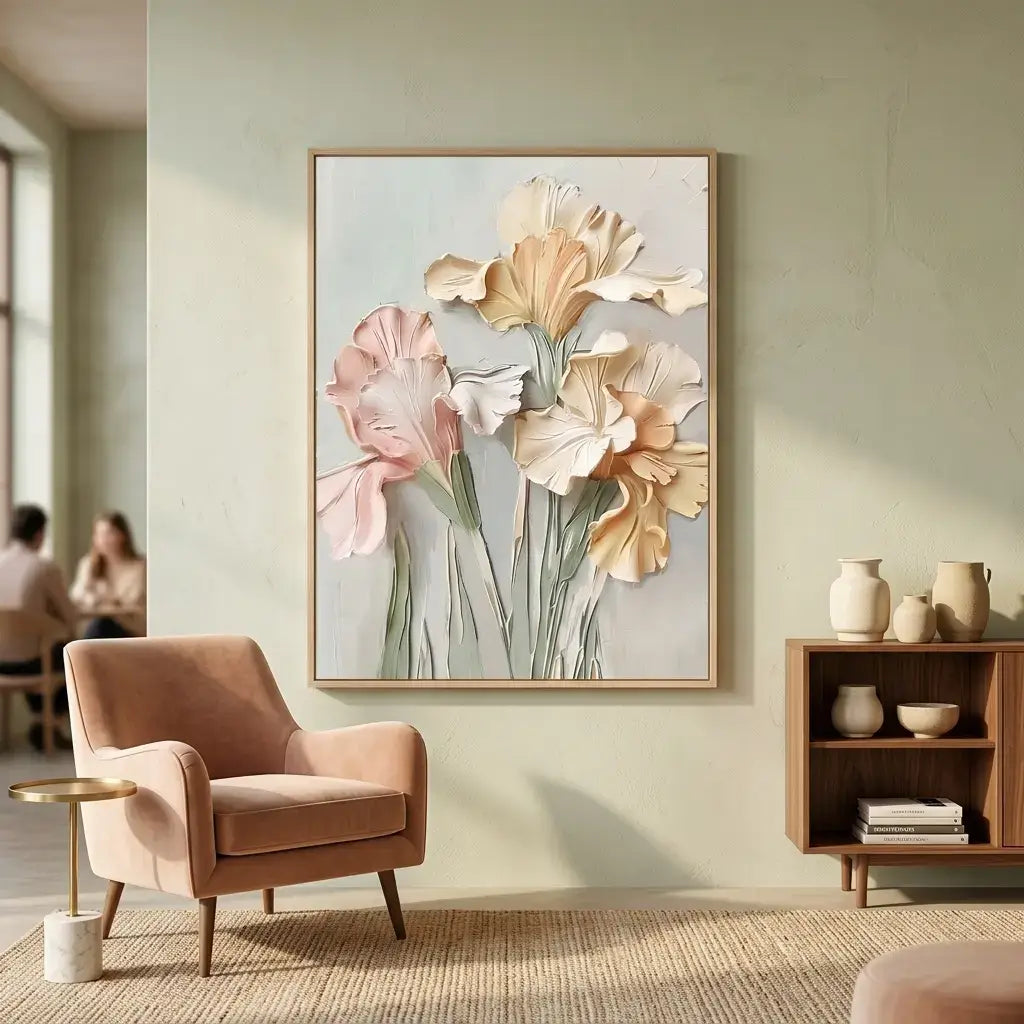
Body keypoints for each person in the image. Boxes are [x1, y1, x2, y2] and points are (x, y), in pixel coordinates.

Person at [0, 504, 78, 750]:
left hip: (2, 660)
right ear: (40, 534)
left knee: (42, 646)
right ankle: (49, 722)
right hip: (33, 659)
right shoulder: (44, 567)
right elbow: (71, 617)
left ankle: (42, 722)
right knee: (73, 654)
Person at [70, 511, 146, 639]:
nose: (103, 539)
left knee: (101, 625)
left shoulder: (140, 567)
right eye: (99, 534)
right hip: (96, 626)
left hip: (130, 630)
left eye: (109, 533)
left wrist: (102, 599)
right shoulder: (88, 564)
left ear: (123, 535)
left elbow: (135, 605)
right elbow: (77, 596)